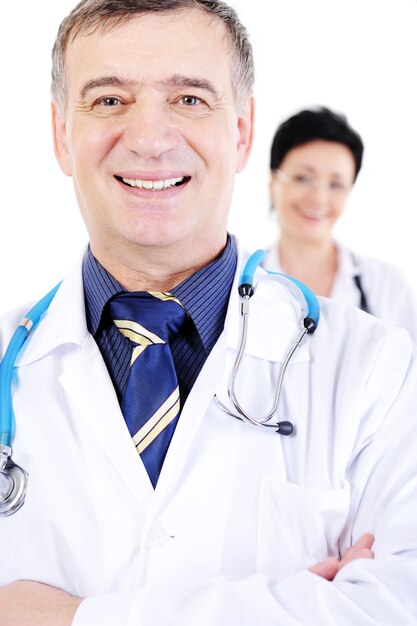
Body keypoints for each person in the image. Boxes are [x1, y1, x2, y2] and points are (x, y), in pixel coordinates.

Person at [0, 1, 416, 624]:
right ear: (60, 133)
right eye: (109, 100)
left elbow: (400, 602)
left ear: (243, 131)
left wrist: (68, 618)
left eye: (189, 99)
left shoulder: (375, 365)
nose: (149, 138)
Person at [264, 106, 417, 341]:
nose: (318, 198)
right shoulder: (243, 285)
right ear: (273, 181)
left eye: (336, 184)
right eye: (303, 178)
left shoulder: (388, 288)